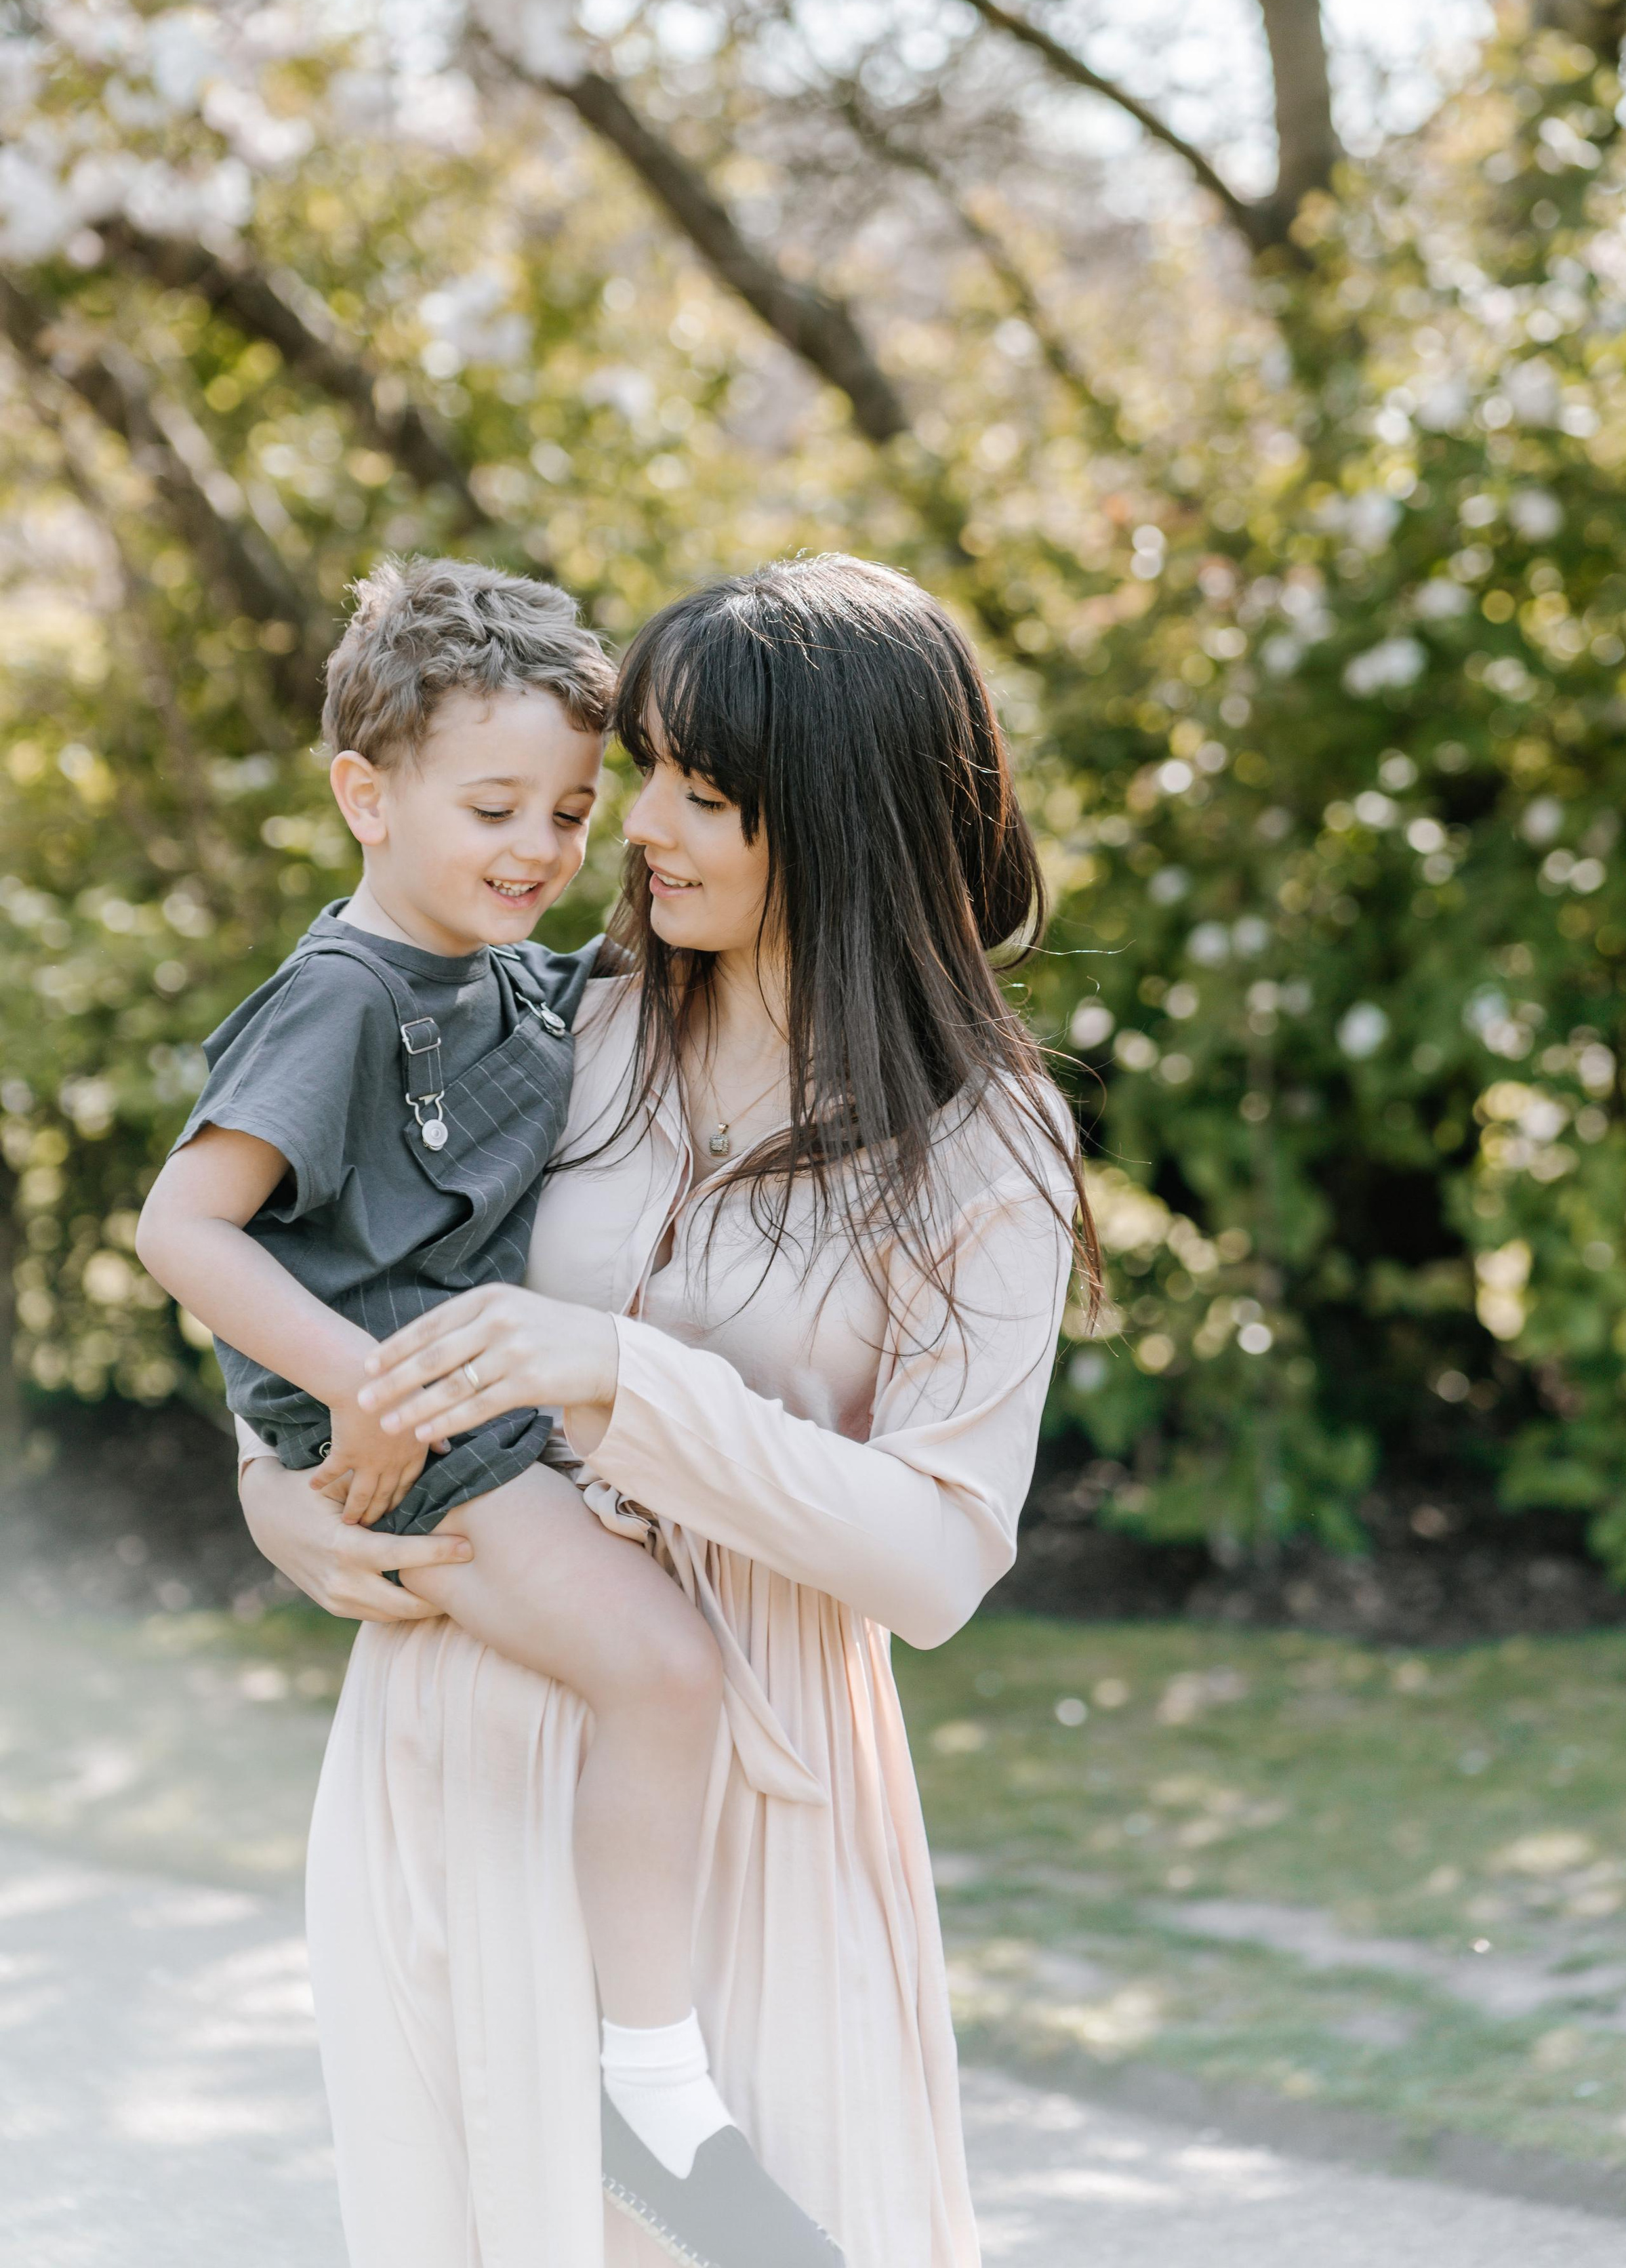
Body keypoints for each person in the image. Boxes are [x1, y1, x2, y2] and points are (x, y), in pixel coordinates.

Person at [240, 553, 1095, 2268]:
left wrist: (626, 1379)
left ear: (838, 821)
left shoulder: (982, 1141)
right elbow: (335, 1259)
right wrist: (274, 1482)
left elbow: (937, 1561)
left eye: (700, 794)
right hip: (454, 1736)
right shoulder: (559, 1027)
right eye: (645, 773)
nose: (635, 827)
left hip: (753, 1794)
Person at [137, 556, 833, 2262]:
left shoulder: (507, 973)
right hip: (425, 1427)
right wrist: (359, 1393)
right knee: (665, 1667)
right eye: (495, 807)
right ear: (365, 796)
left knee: (659, 1672)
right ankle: (650, 2092)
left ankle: (639, 2071)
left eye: (572, 810)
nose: (539, 847)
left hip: (471, 1413)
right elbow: (184, 1228)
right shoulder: (348, 993)